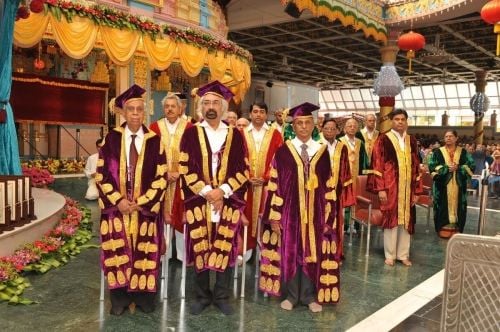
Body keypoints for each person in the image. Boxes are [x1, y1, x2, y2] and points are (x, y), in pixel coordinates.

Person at [259, 102, 341, 313]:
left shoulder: (322, 152)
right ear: (292, 127)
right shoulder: (283, 151)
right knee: (292, 253)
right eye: (298, 123)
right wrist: (274, 217)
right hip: (290, 213)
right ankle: (292, 295)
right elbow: (274, 185)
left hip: (316, 214)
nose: (303, 127)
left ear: (314, 125)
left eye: (307, 123)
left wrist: (329, 217)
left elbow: (329, 185)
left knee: (311, 254)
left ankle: (308, 295)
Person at [96, 84, 167, 315]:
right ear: (123, 113)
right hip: (117, 209)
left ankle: (144, 299)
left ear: (144, 112)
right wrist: (118, 200)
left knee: (144, 253)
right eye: (131, 109)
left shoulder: (155, 140)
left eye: (139, 109)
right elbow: (102, 174)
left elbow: (161, 176)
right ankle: (119, 300)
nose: (135, 113)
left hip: (144, 209)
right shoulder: (111, 139)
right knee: (118, 252)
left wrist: (144, 201)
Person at [179, 81, 249, 316]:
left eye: (216, 103)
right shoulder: (190, 133)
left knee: (225, 247)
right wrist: (208, 192)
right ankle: (200, 296)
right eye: (206, 102)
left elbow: (243, 169)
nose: (211, 107)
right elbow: (185, 167)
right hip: (199, 201)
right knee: (199, 248)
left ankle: (221, 295)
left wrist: (224, 191)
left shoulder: (236, 135)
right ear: (200, 107)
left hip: (227, 201)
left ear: (223, 107)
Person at [368, 109, 420, 267]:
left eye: (403, 119)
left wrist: (417, 190)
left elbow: (416, 165)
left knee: (406, 221)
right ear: (391, 121)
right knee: (391, 220)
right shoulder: (383, 139)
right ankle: (390, 254)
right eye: (396, 119)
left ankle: (403, 254)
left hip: (407, 188)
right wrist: (381, 188)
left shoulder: (411, 140)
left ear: (406, 121)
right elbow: (377, 164)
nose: (400, 122)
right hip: (390, 187)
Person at [149, 92, 192, 262]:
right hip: (161, 181)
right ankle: (162, 254)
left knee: (182, 216)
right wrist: (164, 173)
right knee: (161, 216)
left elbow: (193, 155)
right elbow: (150, 155)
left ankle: (183, 256)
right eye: (167, 106)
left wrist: (180, 172)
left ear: (180, 108)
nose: (170, 109)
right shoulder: (154, 128)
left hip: (183, 182)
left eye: (173, 106)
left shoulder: (190, 128)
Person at [241, 102, 283, 262]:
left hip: (267, 187)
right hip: (246, 187)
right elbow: (237, 158)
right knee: (245, 216)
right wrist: (247, 176)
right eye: (255, 111)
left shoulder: (275, 135)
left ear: (266, 115)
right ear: (250, 114)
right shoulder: (241, 133)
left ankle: (263, 256)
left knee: (265, 218)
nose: (258, 115)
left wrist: (265, 177)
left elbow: (278, 160)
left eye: (262, 112)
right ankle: (245, 253)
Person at [428, 130, 475, 238]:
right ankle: (442, 227)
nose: (448, 138)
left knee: (459, 205)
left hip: (458, 184)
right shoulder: (437, 152)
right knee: (441, 205)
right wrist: (446, 169)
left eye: (451, 136)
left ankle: (456, 228)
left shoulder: (463, 152)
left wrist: (458, 168)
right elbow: (432, 167)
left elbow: (471, 166)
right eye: (446, 136)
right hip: (442, 185)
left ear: (456, 138)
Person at [321, 118, 355, 258]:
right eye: (326, 128)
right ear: (321, 129)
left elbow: (346, 170)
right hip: (320, 193)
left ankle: (335, 253)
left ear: (337, 130)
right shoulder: (316, 145)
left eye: (332, 129)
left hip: (337, 192)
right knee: (320, 222)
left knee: (337, 223)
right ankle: (320, 252)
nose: (329, 131)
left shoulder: (342, 147)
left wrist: (346, 194)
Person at [339, 118, 369, 234]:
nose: (352, 128)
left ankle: (354, 224)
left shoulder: (360, 143)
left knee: (355, 200)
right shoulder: (339, 142)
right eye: (349, 126)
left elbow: (364, 161)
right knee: (343, 199)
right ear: (345, 128)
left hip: (356, 178)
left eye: (354, 126)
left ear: (357, 128)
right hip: (343, 178)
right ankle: (343, 225)